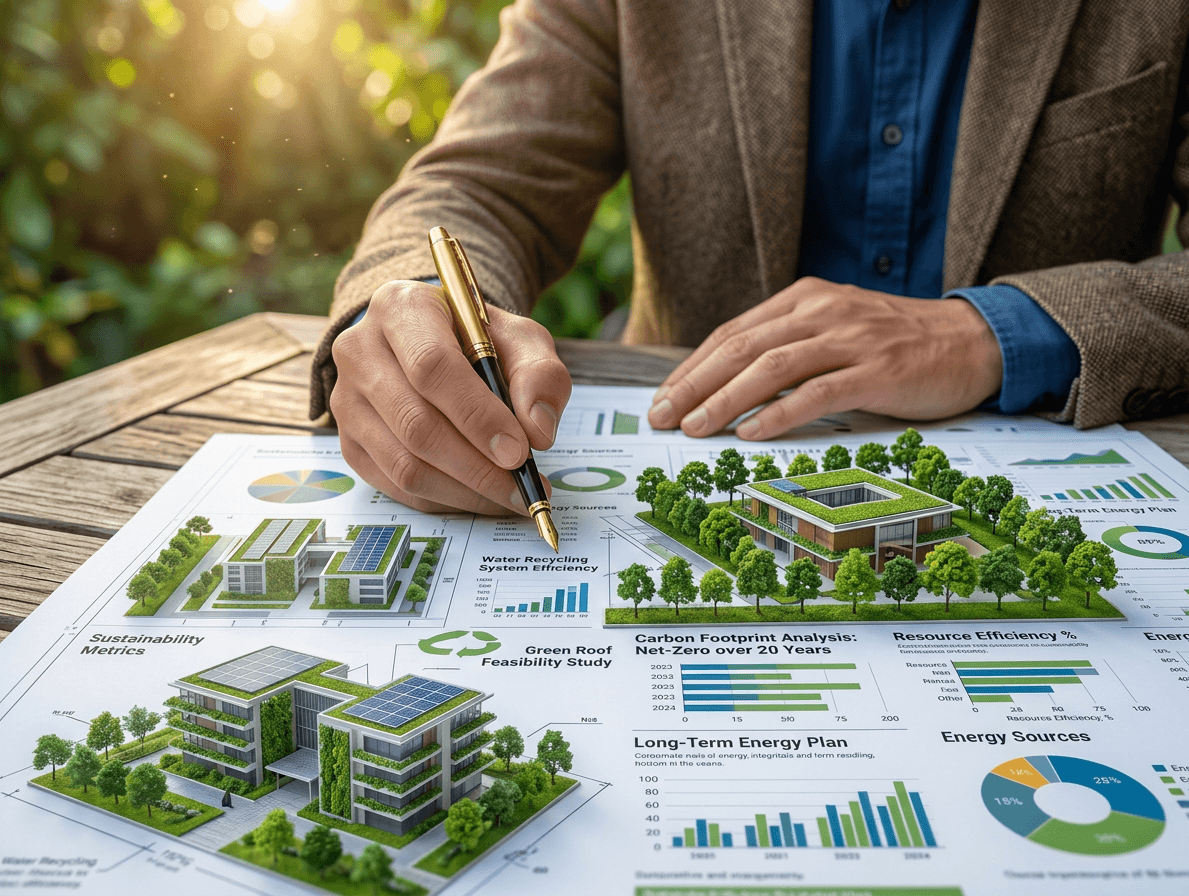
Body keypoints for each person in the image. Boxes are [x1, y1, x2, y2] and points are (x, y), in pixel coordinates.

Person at [312, 0, 1189, 517]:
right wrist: (412, 303)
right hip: (688, 450)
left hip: (1054, 469)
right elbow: (477, 183)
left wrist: (990, 333)